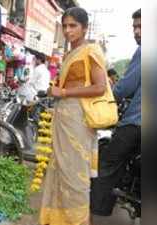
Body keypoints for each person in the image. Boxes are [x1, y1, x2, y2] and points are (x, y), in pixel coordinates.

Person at [39, 7, 109, 225]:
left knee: (74, 176)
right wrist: (56, 90)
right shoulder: (69, 53)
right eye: (65, 26)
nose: (68, 31)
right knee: (59, 170)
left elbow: (100, 87)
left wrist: (66, 92)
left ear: (85, 28)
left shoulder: (91, 51)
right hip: (63, 117)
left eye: (73, 26)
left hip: (79, 120)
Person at [90, 9, 141, 217]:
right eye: (135, 27)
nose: (137, 32)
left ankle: (97, 211)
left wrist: (102, 99)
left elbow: (125, 87)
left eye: (141, 27)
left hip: (138, 123)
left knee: (108, 163)